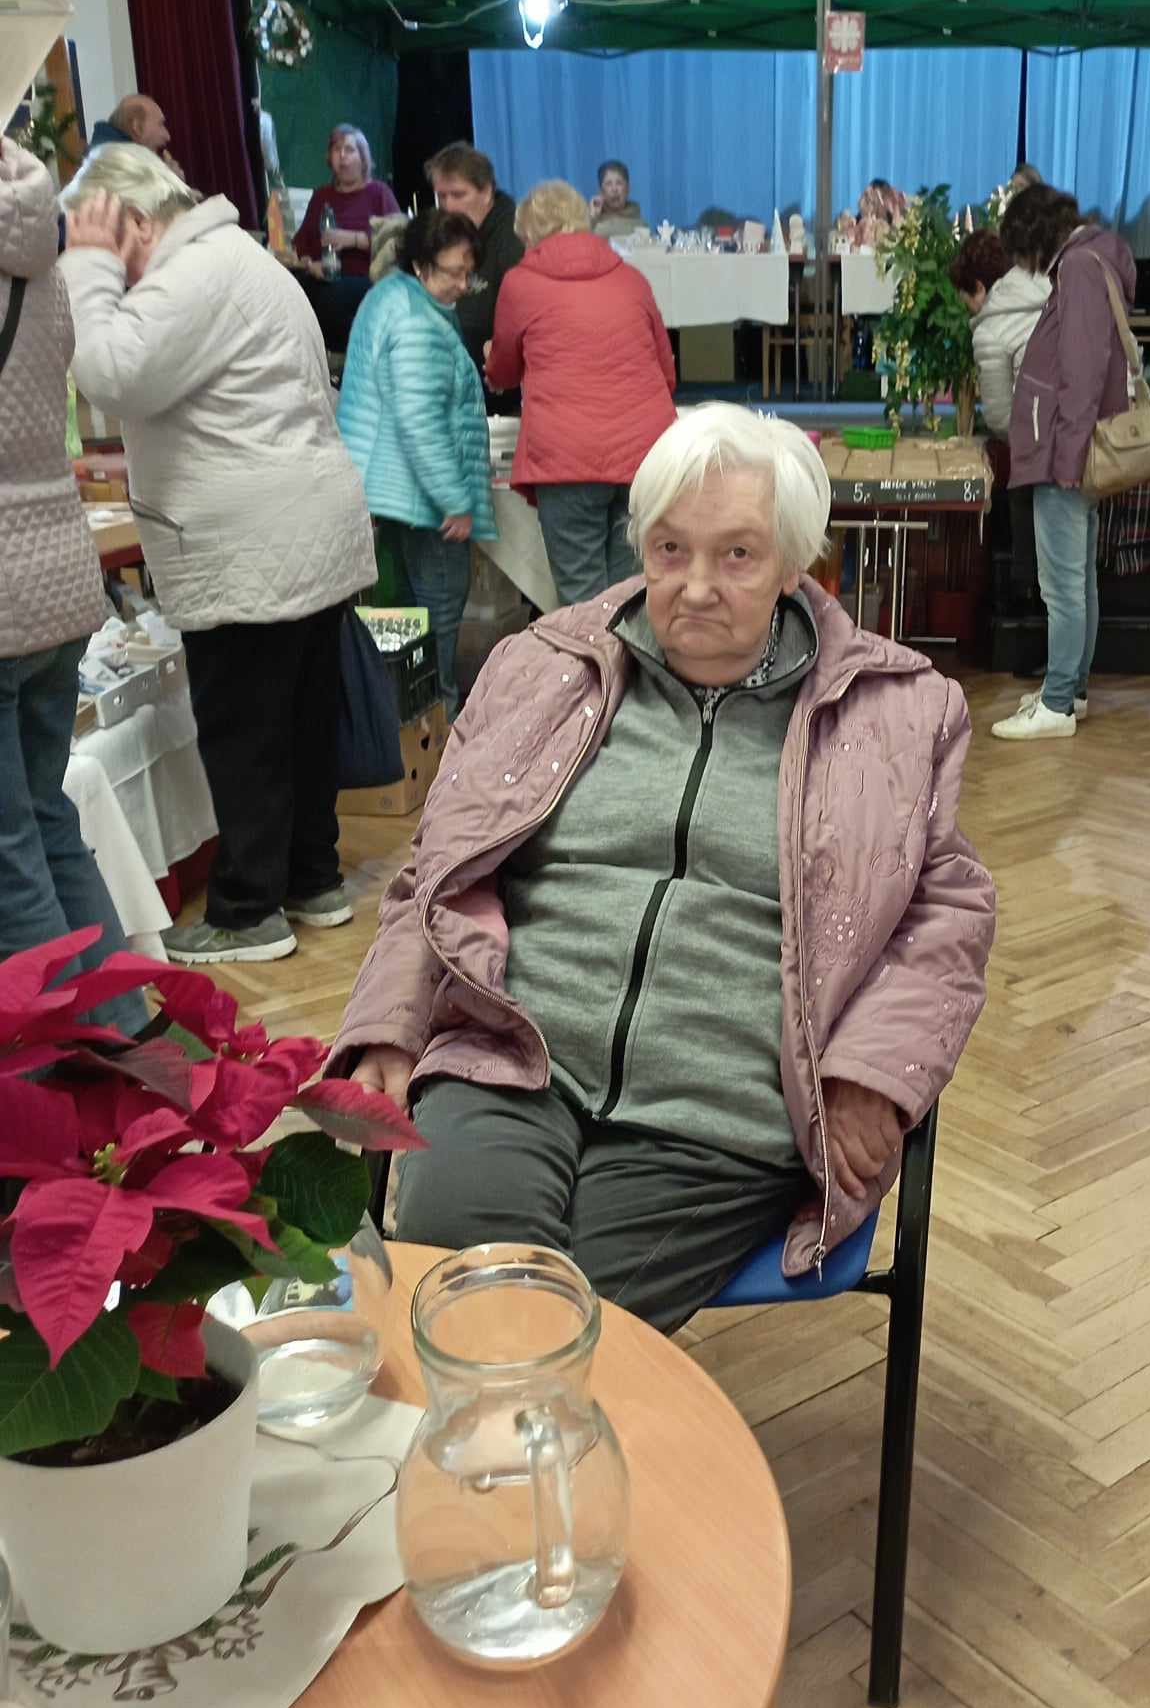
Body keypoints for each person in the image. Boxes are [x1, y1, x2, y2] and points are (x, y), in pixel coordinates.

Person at [328, 403, 996, 1331]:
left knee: (561, 1330)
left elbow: (945, 914)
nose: (696, 587)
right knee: (466, 1286)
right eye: (671, 549)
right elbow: (434, 871)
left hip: (721, 1113)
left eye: (737, 555)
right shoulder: (542, 668)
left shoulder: (897, 711)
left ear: (795, 564)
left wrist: (876, 1069)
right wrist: (391, 1022)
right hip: (511, 1058)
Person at [59, 145, 377, 966]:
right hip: (297, 525)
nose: (91, 251)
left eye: (94, 231)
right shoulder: (235, 257)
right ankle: (312, 879)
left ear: (133, 220)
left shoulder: (192, 273)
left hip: (248, 540)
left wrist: (88, 269)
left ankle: (246, 913)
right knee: (301, 724)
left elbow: (110, 375)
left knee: (246, 734)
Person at [0, 138, 146, 1036]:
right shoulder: (41, 253)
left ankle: (49, 1069)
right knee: (49, 822)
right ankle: (120, 1036)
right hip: (52, 566)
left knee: (10, 856)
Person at [990, 181, 1136, 743]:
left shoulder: (1077, 267)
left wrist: (1067, 456)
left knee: (1062, 587)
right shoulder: (1097, 259)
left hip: (1061, 452)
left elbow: (1081, 371)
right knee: (1079, 582)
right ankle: (1070, 691)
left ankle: (1056, 703)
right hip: (1072, 447)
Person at [485, 180, 675, 606]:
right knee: (632, 595)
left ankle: (592, 654)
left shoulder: (520, 283)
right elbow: (666, 372)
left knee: (582, 600)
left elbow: (503, 370)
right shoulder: (630, 278)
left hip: (567, 457)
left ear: (530, 234)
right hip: (645, 456)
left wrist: (492, 361)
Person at [338, 209, 496, 718]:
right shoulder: (417, 321)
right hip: (423, 499)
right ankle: (442, 736)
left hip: (391, 491)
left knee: (407, 628)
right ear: (422, 266)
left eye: (469, 273)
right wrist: (456, 499)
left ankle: (410, 737)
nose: (463, 285)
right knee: (437, 624)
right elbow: (421, 422)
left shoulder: (389, 297)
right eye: (454, 272)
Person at [426, 140, 525, 392]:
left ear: (487, 192)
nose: (448, 206)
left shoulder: (514, 237)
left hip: (496, 385)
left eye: (458, 195)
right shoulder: (450, 235)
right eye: (441, 196)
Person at [949, 228, 1049, 438]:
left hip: (1045, 442)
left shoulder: (989, 332)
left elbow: (1002, 421)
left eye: (967, 303)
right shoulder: (1057, 286)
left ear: (979, 288)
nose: (970, 311)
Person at [292, 125, 400, 281]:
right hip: (321, 279)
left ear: (363, 158)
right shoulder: (321, 195)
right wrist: (309, 264)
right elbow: (301, 242)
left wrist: (354, 239)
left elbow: (398, 241)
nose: (342, 155)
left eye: (349, 150)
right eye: (337, 149)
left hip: (367, 281)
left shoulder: (379, 193)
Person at [86, 94, 181, 179]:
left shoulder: (101, 160)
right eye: (160, 124)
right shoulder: (117, 170)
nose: (167, 136)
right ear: (137, 127)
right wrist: (172, 181)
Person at [589, 159, 644, 239]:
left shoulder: (640, 225)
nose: (614, 189)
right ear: (601, 191)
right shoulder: (591, 221)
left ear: (628, 189)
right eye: (608, 184)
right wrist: (593, 217)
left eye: (619, 183)